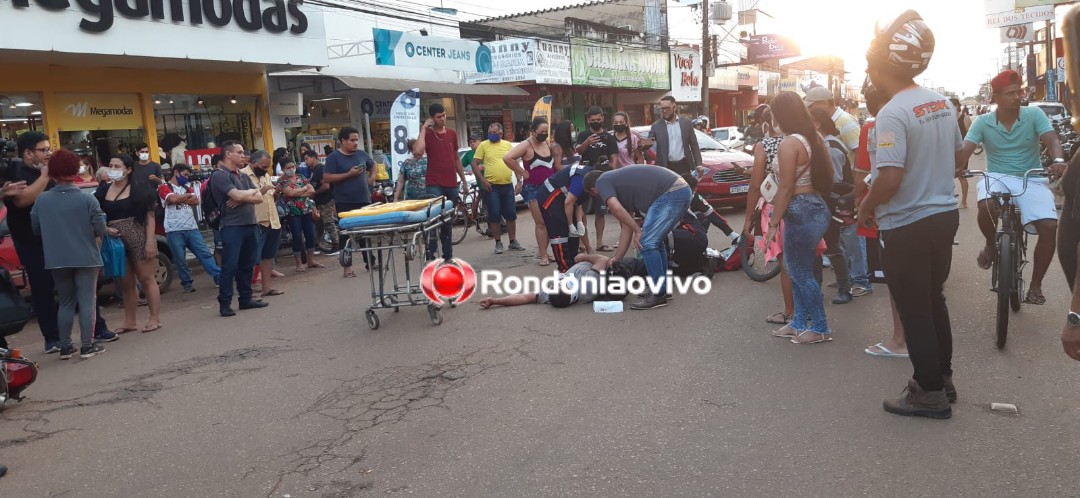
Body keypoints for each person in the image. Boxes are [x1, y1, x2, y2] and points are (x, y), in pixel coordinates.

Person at [858, 10, 961, 419]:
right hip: (944, 216)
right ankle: (943, 379)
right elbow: (955, 155)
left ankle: (929, 392)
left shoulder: (892, 113)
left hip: (907, 224)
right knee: (934, 300)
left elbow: (889, 178)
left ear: (879, 68)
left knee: (915, 308)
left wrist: (865, 207)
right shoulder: (941, 103)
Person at [960, 69, 1066, 307]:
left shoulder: (1033, 114)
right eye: (1011, 93)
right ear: (995, 97)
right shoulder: (982, 122)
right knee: (986, 206)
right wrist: (957, 166)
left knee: (1050, 225)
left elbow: (1051, 138)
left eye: (1019, 92)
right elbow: (966, 148)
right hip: (997, 176)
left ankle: (1036, 285)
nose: (1018, 97)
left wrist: (1059, 160)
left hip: (1032, 177)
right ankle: (990, 244)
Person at [761, 92, 834, 344]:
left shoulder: (790, 143)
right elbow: (829, 174)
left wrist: (773, 224)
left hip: (800, 208)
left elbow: (786, 187)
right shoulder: (814, 138)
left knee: (800, 272)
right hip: (815, 206)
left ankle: (821, 327)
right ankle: (798, 323)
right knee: (797, 270)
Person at [31, 150, 107, 359]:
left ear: (53, 172)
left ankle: (65, 346)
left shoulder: (42, 200)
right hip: (86, 256)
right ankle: (87, 345)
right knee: (87, 301)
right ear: (75, 171)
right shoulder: (88, 200)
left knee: (65, 302)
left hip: (56, 258)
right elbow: (100, 228)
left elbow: (36, 229)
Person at [584, 165, 692, 310]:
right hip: (678, 190)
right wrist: (618, 258)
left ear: (593, 190)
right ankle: (662, 289)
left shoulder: (601, 181)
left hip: (671, 192)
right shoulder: (621, 187)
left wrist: (638, 231)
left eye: (593, 194)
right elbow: (626, 225)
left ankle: (658, 294)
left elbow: (616, 208)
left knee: (646, 244)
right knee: (655, 243)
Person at [856, 84, 909, 359]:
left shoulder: (875, 127)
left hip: (893, 212)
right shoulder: (923, 117)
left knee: (898, 280)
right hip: (935, 209)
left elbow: (867, 173)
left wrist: (863, 205)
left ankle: (901, 340)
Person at [740, 106, 796, 326]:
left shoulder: (765, 145)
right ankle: (809, 310)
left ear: (768, 123)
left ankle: (790, 312)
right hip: (804, 204)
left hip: (777, 207)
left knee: (786, 263)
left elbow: (755, 186)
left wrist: (748, 220)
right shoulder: (802, 140)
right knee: (805, 262)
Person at [95, 153, 162, 333]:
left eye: (117, 166)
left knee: (146, 278)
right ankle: (130, 322)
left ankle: (154, 318)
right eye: (111, 166)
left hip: (138, 235)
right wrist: (105, 229)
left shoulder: (140, 189)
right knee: (125, 283)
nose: (113, 169)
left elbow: (150, 216)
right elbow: (96, 214)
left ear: (129, 169)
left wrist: (150, 241)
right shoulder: (103, 191)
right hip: (115, 241)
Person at [211, 141, 268, 317]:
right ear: (228, 154)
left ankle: (245, 299)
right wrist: (246, 194)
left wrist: (242, 198)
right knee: (230, 265)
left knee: (248, 264)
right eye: (240, 152)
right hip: (232, 226)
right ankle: (225, 303)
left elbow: (259, 197)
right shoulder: (220, 175)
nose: (244, 156)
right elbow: (236, 194)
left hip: (250, 223)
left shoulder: (243, 176)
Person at [809, 106, 854, 305]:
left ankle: (845, 288)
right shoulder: (827, 143)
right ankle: (835, 284)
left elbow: (833, 181)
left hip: (829, 202)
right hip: (826, 202)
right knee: (824, 247)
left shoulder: (829, 146)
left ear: (817, 123)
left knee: (832, 247)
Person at [478, 253, 632, 309]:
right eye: (561, 284)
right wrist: (583, 257)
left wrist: (495, 301)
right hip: (612, 269)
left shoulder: (551, 295)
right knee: (635, 265)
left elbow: (524, 297)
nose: (558, 282)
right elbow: (603, 260)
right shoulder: (587, 286)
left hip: (596, 270)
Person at [415, 104, 469, 262]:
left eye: (444, 115)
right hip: (434, 183)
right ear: (432, 118)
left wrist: (464, 180)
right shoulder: (427, 134)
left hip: (451, 183)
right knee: (433, 219)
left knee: (447, 221)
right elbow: (418, 152)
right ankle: (430, 254)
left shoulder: (452, 134)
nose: (443, 119)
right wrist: (423, 128)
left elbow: (456, 158)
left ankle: (448, 256)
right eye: (439, 117)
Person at [322, 127, 378, 276]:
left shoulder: (361, 154)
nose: (355, 143)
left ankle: (370, 262)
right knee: (346, 234)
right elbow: (327, 178)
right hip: (344, 201)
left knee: (365, 233)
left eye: (356, 140)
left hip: (364, 199)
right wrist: (348, 174)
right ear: (343, 141)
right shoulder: (334, 157)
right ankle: (347, 267)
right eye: (352, 140)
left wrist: (372, 177)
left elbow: (373, 164)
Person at [505, 117, 561, 264]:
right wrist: (521, 172)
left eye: (546, 131)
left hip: (550, 188)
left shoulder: (547, 143)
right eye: (541, 131)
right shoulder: (526, 145)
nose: (544, 134)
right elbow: (508, 158)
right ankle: (543, 255)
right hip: (533, 189)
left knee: (549, 221)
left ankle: (543, 251)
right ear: (533, 131)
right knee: (541, 222)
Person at [159, 163, 221, 293]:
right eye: (185, 174)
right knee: (180, 259)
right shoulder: (164, 187)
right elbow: (173, 199)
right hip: (174, 229)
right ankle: (187, 283)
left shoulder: (186, 187)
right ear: (176, 172)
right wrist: (185, 197)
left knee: (204, 254)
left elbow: (195, 201)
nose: (187, 177)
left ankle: (218, 277)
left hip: (192, 227)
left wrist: (178, 198)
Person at [473, 122, 525, 254]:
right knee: (494, 215)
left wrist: (519, 181)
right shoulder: (483, 145)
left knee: (511, 215)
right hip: (492, 187)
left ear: (501, 134)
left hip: (507, 185)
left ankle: (513, 241)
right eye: (489, 133)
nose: (491, 135)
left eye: (494, 133)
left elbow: (515, 163)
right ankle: (498, 242)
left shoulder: (507, 145)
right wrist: (483, 180)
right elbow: (474, 164)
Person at [576, 107, 620, 254]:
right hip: (584, 175)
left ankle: (599, 242)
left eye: (598, 119)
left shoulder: (609, 138)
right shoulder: (583, 135)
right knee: (580, 210)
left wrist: (611, 173)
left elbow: (614, 158)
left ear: (603, 119)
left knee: (600, 211)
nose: (596, 122)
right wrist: (587, 142)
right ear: (588, 120)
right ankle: (582, 243)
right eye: (593, 120)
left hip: (602, 177)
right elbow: (578, 152)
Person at [241, 150, 284, 297]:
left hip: (272, 221)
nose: (266, 170)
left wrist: (277, 193)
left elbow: (272, 199)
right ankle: (248, 291)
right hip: (256, 221)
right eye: (264, 166)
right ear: (253, 163)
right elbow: (242, 198)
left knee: (268, 257)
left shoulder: (265, 176)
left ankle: (267, 288)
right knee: (251, 259)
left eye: (268, 167)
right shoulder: (242, 175)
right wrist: (262, 190)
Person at [539, 160, 593, 272]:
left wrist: (578, 221)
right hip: (551, 196)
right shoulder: (581, 180)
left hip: (564, 198)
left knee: (574, 233)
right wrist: (570, 224)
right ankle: (564, 269)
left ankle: (572, 265)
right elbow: (569, 202)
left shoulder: (590, 179)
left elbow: (577, 202)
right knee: (559, 234)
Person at [276, 160, 324, 272]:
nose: (291, 169)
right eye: (288, 167)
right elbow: (290, 193)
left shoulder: (301, 176)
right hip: (293, 212)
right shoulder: (282, 181)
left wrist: (298, 193)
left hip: (307, 210)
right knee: (297, 236)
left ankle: (311, 260)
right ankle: (299, 263)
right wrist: (304, 189)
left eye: (293, 166)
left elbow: (312, 191)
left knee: (310, 235)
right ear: (283, 169)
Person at [649, 96, 703, 177]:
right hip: (666, 167)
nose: (664, 111)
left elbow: (694, 145)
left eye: (667, 108)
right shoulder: (656, 126)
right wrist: (642, 144)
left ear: (674, 108)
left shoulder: (686, 123)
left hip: (684, 165)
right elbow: (649, 141)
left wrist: (699, 164)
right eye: (662, 109)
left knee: (685, 185)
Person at [305, 150, 337, 254]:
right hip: (319, 201)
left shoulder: (320, 170)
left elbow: (326, 185)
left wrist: (314, 193)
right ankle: (317, 245)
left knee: (328, 222)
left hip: (325, 200)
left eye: (307, 159)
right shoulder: (313, 170)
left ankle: (336, 245)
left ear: (313, 157)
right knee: (319, 224)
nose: (306, 162)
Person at [950, 97, 972, 208]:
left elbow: (970, 135)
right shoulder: (948, 118)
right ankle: (951, 197)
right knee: (948, 176)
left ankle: (964, 201)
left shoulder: (965, 118)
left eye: (954, 105)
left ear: (958, 106)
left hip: (961, 151)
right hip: (949, 150)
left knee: (961, 176)